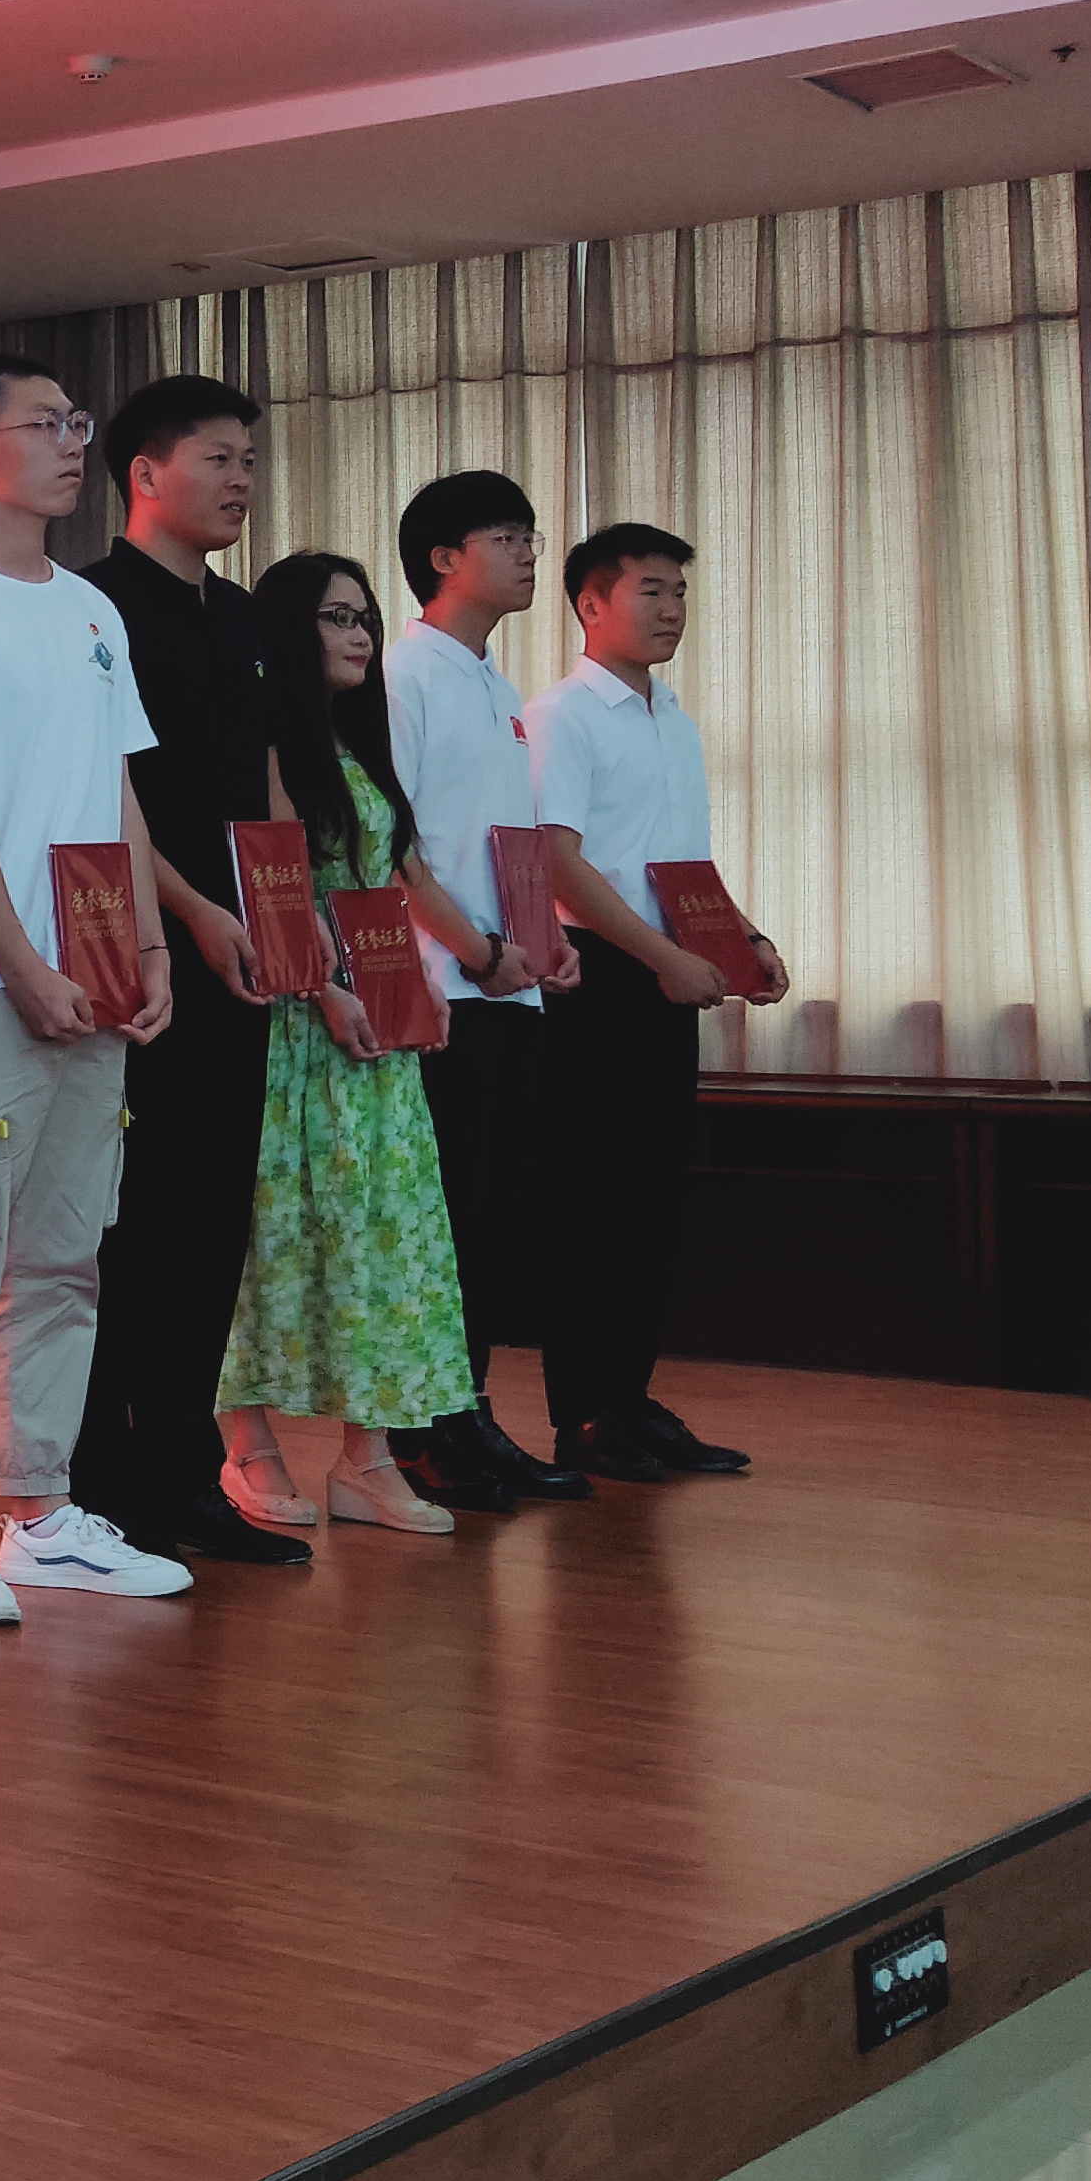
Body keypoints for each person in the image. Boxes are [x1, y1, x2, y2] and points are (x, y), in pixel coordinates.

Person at [0, 356, 193, 1623]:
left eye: (78, 422)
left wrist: (151, 952)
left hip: (96, 976)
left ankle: (41, 1512)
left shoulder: (91, 609)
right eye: (46, 424)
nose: (73, 443)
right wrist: (20, 965)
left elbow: (116, 789)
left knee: (65, 1262)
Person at [66, 375, 310, 1575]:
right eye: (218, 459)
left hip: (244, 953)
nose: (240, 481)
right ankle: (101, 1485)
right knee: (134, 1222)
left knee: (213, 1224)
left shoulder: (242, 617)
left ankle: (183, 1472)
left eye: (249, 462)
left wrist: (289, 917)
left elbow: (265, 782)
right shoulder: (94, 608)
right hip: (143, 953)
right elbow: (106, 799)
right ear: (146, 474)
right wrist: (200, 916)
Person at [213, 554, 485, 1534]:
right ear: (292, 632)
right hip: (301, 1029)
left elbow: (404, 881)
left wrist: (456, 970)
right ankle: (247, 1446)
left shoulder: (359, 747)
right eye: (336, 617)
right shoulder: (274, 747)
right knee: (280, 1236)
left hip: (378, 1033)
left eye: (365, 616)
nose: (360, 634)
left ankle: (365, 1461)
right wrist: (324, 991)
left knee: (384, 1239)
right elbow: (275, 888)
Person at [524, 523, 778, 1484]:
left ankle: (629, 1401)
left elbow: (681, 864)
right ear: (592, 605)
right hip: (598, 977)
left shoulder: (674, 717)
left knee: (652, 1200)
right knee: (591, 1202)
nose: (672, 610)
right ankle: (583, 1417)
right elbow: (558, 865)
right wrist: (665, 958)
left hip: (669, 971)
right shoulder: (563, 716)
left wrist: (743, 939)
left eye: (679, 593)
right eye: (650, 591)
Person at [379, 472, 588, 1513]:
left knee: (495, 1220)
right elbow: (389, 843)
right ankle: (422, 1432)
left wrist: (545, 942)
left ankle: (469, 1414)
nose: (528, 552)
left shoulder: (499, 687)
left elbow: (506, 841)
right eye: (505, 536)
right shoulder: (404, 674)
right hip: (442, 997)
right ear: (443, 559)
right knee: (445, 1218)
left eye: (530, 535)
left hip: (510, 986)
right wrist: (473, 947)